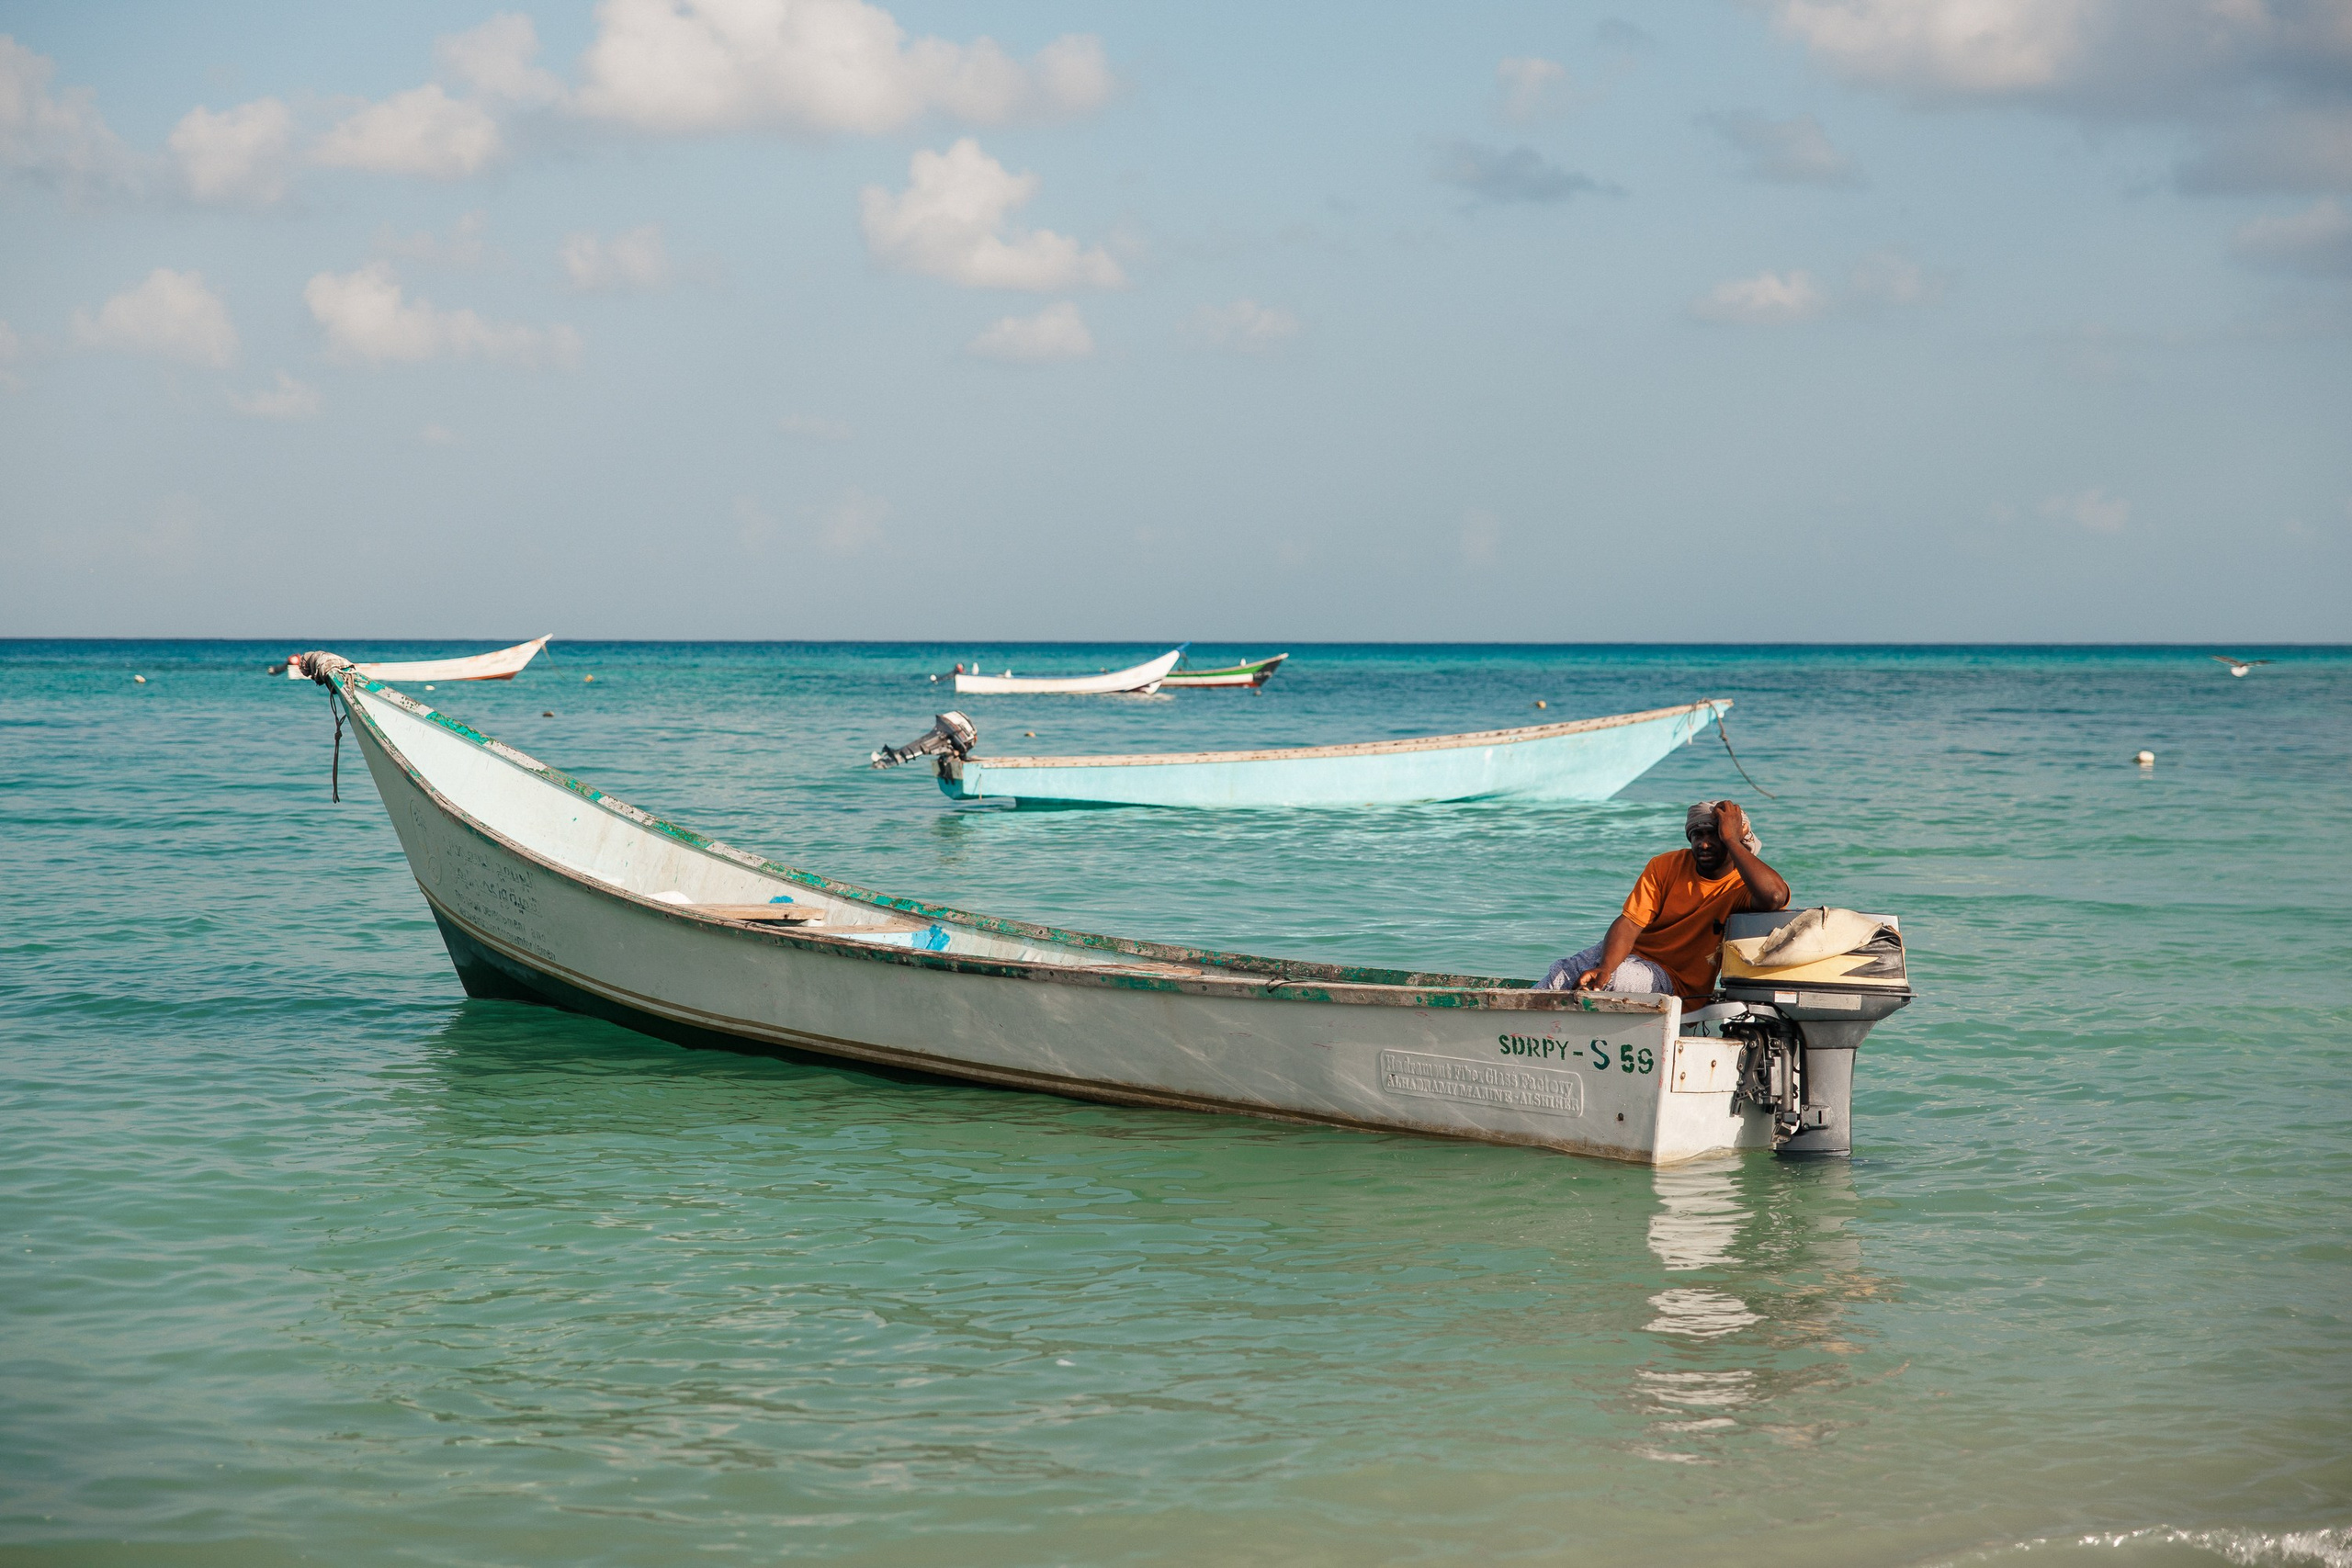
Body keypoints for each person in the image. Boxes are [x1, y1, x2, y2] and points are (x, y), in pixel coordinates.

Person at [1541, 800, 1791, 1001]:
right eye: (1697, 835)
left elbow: (1775, 897)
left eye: (1714, 835)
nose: (1703, 844)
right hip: (1626, 954)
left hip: (1674, 980)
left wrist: (1731, 840)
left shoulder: (1741, 885)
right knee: (1562, 972)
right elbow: (1630, 923)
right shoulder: (1665, 865)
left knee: (1618, 979)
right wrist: (1605, 967)